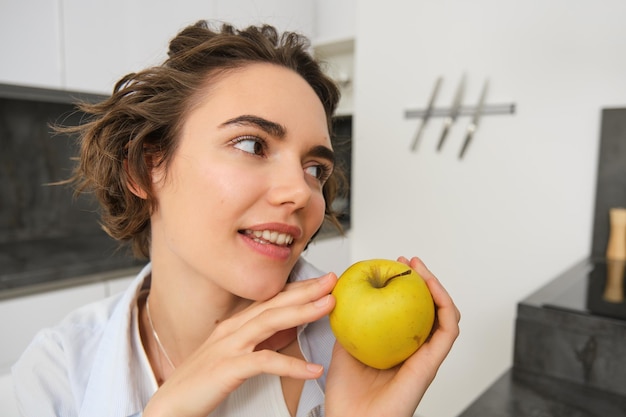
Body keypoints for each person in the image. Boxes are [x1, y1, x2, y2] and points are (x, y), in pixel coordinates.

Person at [12, 20, 460, 417]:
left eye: (315, 169)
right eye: (251, 145)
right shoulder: (54, 376)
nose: (300, 192)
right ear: (144, 169)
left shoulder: (354, 353)